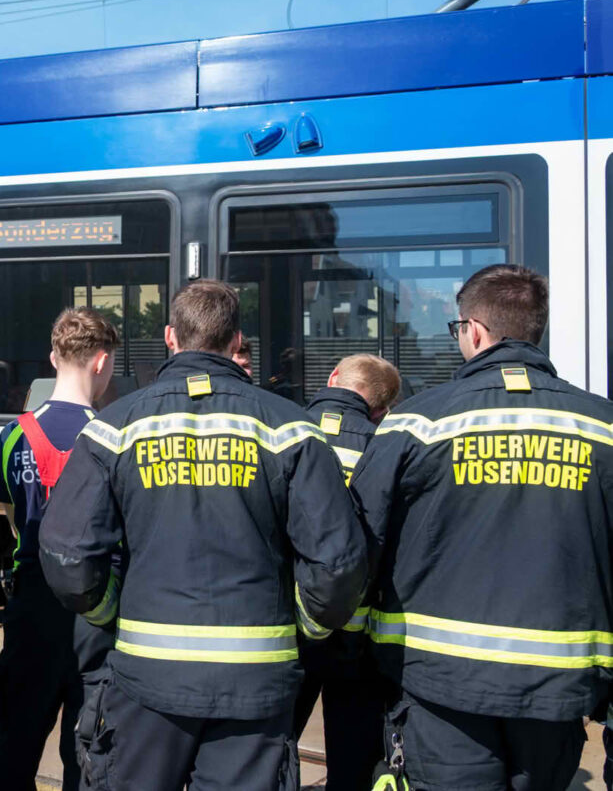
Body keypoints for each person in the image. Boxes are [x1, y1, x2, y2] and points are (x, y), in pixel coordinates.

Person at [40, 280, 366, 791]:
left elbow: (67, 554)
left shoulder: (115, 427)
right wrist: (306, 626)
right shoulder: (292, 429)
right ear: (237, 340)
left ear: (170, 336)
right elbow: (339, 564)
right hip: (256, 685)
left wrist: (109, 612)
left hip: (148, 679)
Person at [354, 264, 613, 791]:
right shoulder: (602, 424)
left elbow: (357, 543)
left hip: (439, 684)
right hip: (558, 688)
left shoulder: (416, 423)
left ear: (472, 330)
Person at [0, 307, 119, 791]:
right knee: (88, 753)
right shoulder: (114, 434)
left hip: (32, 605)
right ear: (101, 362)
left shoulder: (14, 433)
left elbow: (12, 517)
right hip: (95, 614)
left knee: (16, 743)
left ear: (52, 357)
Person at [294, 353, 400, 791]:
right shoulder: (387, 446)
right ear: (382, 408)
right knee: (353, 765)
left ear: (333, 378)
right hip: (358, 640)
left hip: (287, 630)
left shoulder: (285, 431)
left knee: (267, 750)